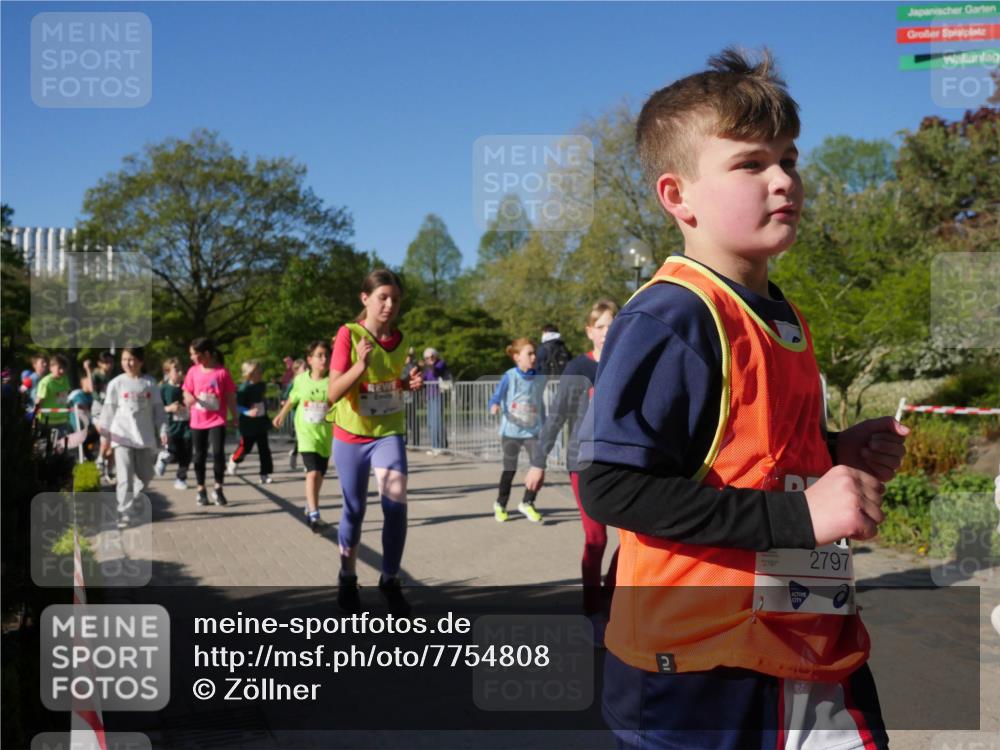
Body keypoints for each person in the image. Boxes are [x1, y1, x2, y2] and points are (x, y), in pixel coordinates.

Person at [578, 48, 909, 749]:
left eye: (789, 157)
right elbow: (610, 487)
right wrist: (800, 513)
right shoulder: (671, 317)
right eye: (749, 164)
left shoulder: (777, 311)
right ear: (678, 197)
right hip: (703, 664)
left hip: (803, 629)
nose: (783, 179)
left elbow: (748, 456)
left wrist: (835, 454)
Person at [328, 269, 423, 615]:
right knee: (354, 509)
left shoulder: (402, 338)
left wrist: (409, 383)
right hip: (351, 435)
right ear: (365, 298)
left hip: (388, 432)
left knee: (396, 504)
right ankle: (347, 576)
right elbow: (333, 392)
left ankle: (390, 579)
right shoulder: (348, 335)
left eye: (395, 299)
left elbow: (390, 381)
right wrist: (359, 365)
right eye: (382, 297)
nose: (389, 305)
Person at [525, 300, 620, 633]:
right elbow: (557, 417)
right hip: (585, 463)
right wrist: (538, 462)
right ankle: (592, 613)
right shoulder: (579, 367)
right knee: (596, 539)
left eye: (614, 324)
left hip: (622, 464)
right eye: (602, 326)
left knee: (636, 540)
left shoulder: (627, 363)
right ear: (589, 331)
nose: (608, 332)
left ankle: (611, 599)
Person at [96, 347, 167, 528]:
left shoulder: (149, 383)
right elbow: (108, 411)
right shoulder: (116, 383)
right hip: (121, 436)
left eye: (132, 359)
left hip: (144, 437)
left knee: (146, 476)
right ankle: (124, 512)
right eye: (124, 359)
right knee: (124, 477)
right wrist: (105, 436)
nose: (128, 363)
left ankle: (132, 497)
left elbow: (159, 410)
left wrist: (163, 430)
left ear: (141, 361)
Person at [273, 343, 332, 532]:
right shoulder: (301, 380)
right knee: (312, 472)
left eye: (326, 355)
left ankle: (310, 505)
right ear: (310, 360)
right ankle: (314, 514)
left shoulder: (333, 381)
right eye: (319, 355)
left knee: (320, 473)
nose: (323, 359)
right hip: (306, 433)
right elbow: (293, 398)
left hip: (325, 433)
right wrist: (281, 414)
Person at [488, 338, 545, 524]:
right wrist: (494, 404)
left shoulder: (539, 377)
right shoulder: (510, 376)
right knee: (510, 469)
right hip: (511, 431)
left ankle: (528, 502)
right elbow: (497, 395)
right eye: (529, 353)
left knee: (539, 466)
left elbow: (539, 403)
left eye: (534, 353)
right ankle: (500, 504)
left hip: (532, 431)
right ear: (516, 357)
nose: (534, 356)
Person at [183, 337, 238, 508]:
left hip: (217, 419)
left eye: (194, 354)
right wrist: (190, 399)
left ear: (206, 354)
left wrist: (234, 417)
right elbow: (186, 393)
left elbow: (230, 397)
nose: (192, 357)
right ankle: (201, 490)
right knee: (199, 456)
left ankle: (218, 488)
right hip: (198, 420)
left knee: (218, 452)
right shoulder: (193, 372)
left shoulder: (222, 373)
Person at [228, 360, 274, 484]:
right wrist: (247, 411)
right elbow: (237, 405)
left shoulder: (262, 385)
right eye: (256, 372)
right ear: (249, 374)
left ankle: (265, 474)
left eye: (260, 372)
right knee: (245, 448)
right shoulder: (243, 388)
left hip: (261, 421)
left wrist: (266, 405)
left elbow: (262, 398)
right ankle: (234, 459)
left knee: (264, 449)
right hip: (248, 423)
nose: (260, 374)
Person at [156, 358, 193, 490]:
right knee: (173, 453)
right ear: (167, 372)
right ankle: (163, 459)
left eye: (180, 369)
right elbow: (157, 409)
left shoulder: (187, 385)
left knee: (187, 453)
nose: (180, 372)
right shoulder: (163, 388)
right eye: (175, 369)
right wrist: (169, 408)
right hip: (171, 426)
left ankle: (181, 478)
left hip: (187, 425)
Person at [420, 347, 450, 455]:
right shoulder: (427, 367)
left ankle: (440, 447)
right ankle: (435, 446)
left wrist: (430, 364)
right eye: (427, 358)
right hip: (430, 396)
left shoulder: (440, 363)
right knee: (431, 423)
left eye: (431, 357)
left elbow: (436, 372)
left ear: (436, 356)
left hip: (438, 395)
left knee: (437, 422)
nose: (429, 359)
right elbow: (423, 378)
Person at [34, 354, 71, 438]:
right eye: (59, 368)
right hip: (46, 421)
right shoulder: (45, 382)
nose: (62, 371)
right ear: (51, 368)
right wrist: (34, 418)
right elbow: (38, 401)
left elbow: (63, 397)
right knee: (44, 447)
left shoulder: (65, 379)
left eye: (64, 368)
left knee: (61, 448)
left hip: (62, 420)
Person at [280, 358, 306, 472]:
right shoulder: (294, 382)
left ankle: (305, 461)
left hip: (308, 414)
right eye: (304, 368)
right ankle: (295, 454)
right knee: (301, 439)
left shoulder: (309, 380)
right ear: (296, 370)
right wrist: (285, 402)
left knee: (305, 439)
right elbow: (286, 397)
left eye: (307, 368)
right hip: (297, 415)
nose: (307, 370)